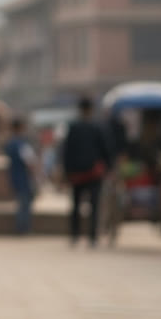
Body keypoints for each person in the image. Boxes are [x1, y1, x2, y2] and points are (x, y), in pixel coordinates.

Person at [61, 95, 111, 247]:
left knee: (76, 205)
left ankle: (75, 235)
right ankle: (93, 237)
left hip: (76, 173)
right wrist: (108, 167)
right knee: (94, 206)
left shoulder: (73, 127)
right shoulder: (98, 127)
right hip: (94, 173)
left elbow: (67, 151)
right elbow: (106, 150)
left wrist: (66, 171)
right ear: (91, 109)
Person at [1, 118, 40, 235]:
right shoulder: (22, 144)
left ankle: (21, 227)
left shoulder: (9, 144)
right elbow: (30, 162)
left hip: (14, 176)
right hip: (23, 177)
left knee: (20, 203)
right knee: (25, 204)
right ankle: (23, 228)